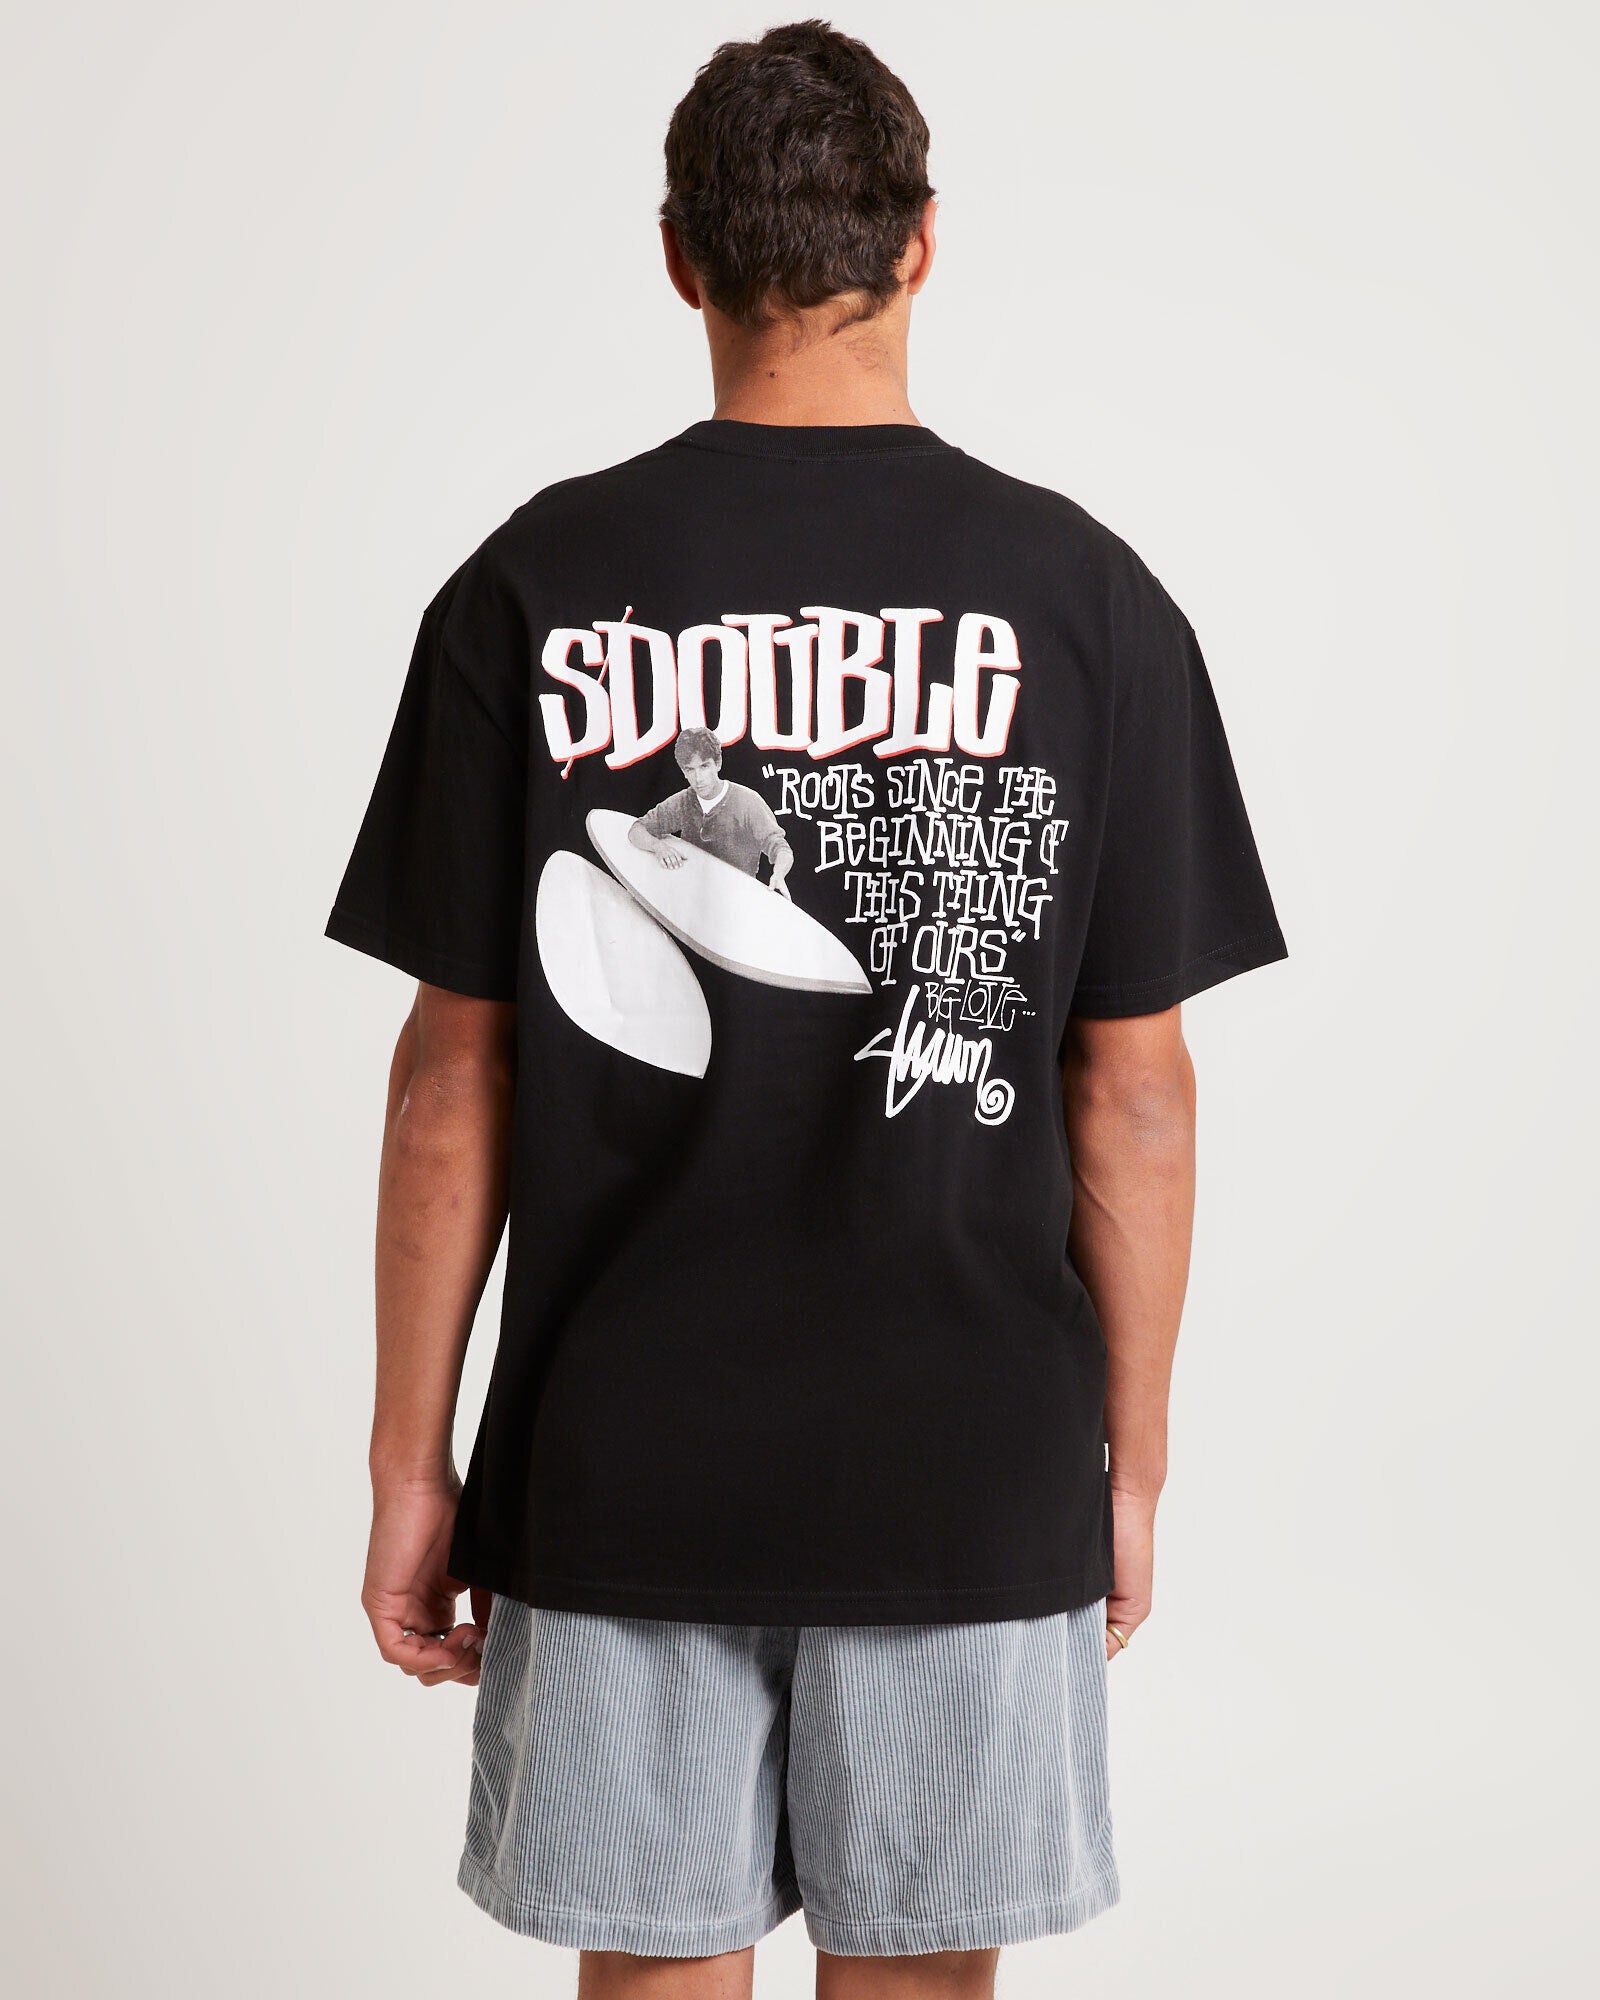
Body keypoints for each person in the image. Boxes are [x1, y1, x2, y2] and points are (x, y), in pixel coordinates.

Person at [325, 19, 1286, 1998]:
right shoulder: (1089, 605)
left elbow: (449, 1084)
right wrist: (1128, 1466)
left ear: (679, 257)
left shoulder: (531, 584)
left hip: (619, 1458)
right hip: (969, 1460)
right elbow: (1136, 1097)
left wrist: (412, 1465)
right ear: (920, 243)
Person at [629, 725, 795, 893]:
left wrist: (779, 874)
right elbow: (637, 829)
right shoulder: (683, 801)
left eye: (704, 766)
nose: (698, 778)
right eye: (690, 769)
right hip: (692, 895)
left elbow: (781, 848)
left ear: (718, 764)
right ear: (683, 771)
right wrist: (658, 847)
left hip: (737, 897)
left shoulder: (748, 801)